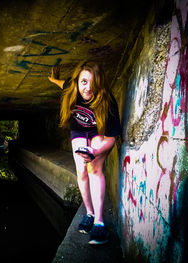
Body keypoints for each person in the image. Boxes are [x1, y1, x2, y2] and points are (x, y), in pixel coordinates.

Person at [48, 59, 122, 245]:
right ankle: (89, 213)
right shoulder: (71, 88)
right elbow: (62, 83)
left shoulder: (108, 100)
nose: (88, 88)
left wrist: (95, 151)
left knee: (94, 169)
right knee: (81, 170)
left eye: (93, 83)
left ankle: (99, 222)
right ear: (77, 81)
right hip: (79, 131)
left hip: (99, 131)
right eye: (83, 82)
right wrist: (53, 79)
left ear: (100, 84)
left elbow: (113, 137)